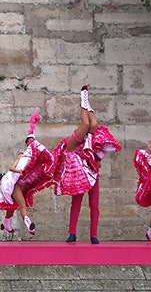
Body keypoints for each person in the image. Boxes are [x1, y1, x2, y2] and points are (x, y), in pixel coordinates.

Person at [50, 86, 121, 243]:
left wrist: (96, 162)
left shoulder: (96, 149)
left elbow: (98, 162)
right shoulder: (81, 143)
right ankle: (72, 233)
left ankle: (94, 235)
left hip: (90, 173)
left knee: (94, 205)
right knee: (86, 124)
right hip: (73, 151)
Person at [0, 113, 54, 237]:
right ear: (26, 145)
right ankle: (28, 224)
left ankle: (6, 223)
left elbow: (40, 163)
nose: (31, 145)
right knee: (21, 205)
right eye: (30, 143)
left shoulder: (32, 156)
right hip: (11, 182)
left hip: (17, 184)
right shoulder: (22, 155)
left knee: (12, 206)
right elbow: (11, 167)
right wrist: (17, 171)